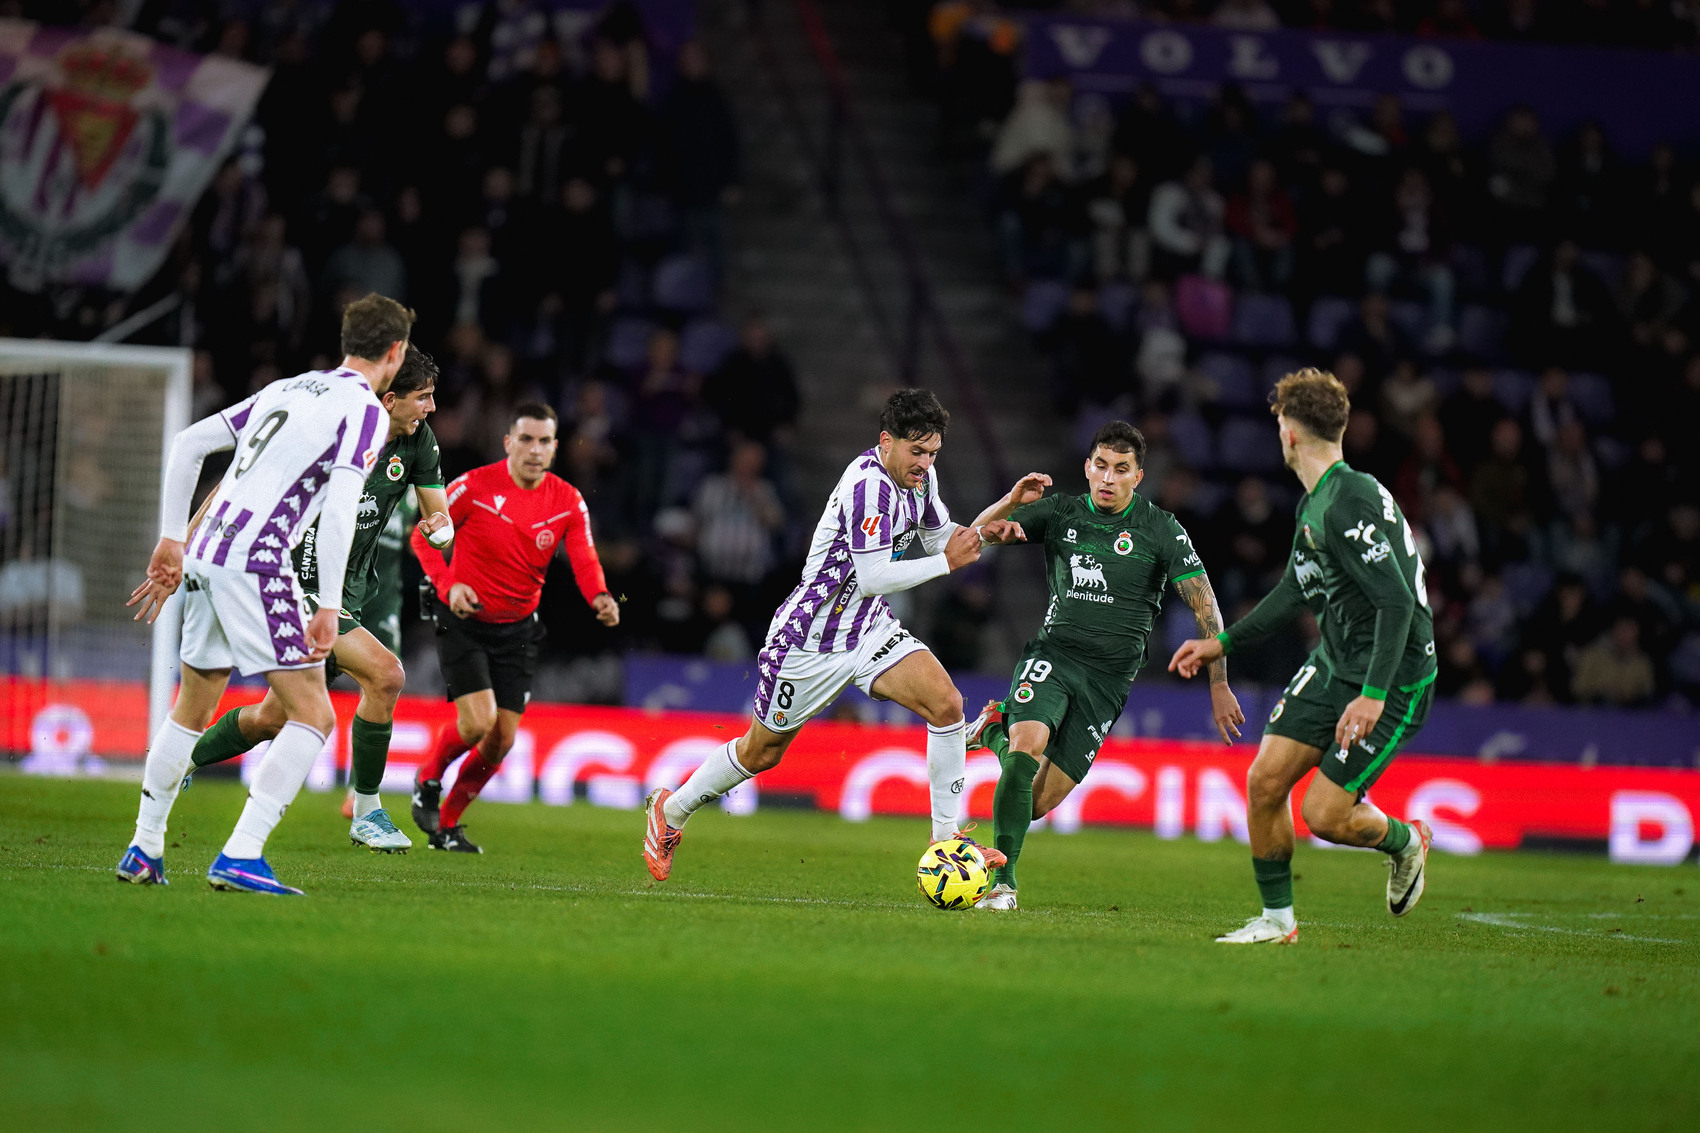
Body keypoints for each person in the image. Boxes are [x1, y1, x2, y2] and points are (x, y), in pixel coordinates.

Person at [641, 389, 1049, 881]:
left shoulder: (920, 480)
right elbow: (875, 575)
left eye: (933, 453)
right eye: (917, 451)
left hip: (868, 628)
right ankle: (672, 810)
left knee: (946, 705)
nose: (925, 463)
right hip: (810, 640)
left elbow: (943, 539)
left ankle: (946, 840)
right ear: (886, 441)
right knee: (761, 751)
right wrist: (947, 562)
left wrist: (1003, 511)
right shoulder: (867, 486)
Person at [116, 293, 409, 895]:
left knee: (192, 707)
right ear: (395, 352)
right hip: (258, 559)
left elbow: (188, 443)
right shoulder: (364, 411)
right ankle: (242, 853)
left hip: (206, 553)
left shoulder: (288, 388)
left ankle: (144, 849)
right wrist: (329, 604)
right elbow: (340, 509)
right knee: (314, 714)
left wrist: (172, 539)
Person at [1170, 368, 1437, 944]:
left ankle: (1406, 840)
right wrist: (1224, 642)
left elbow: (1396, 603)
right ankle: (1277, 921)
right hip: (1335, 662)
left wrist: (1372, 696)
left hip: (1393, 677)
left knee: (1325, 815)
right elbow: (1296, 589)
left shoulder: (1349, 501)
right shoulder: (1317, 503)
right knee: (1265, 782)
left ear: (1289, 432)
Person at [179, 346, 451, 853]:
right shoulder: (332, 427)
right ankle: (366, 811)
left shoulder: (418, 440)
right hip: (291, 579)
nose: (431, 407)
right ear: (390, 400)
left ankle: (180, 760)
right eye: (424, 397)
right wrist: (184, 541)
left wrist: (439, 527)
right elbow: (239, 480)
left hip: (347, 591)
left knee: (271, 719)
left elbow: (439, 513)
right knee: (386, 675)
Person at [967, 421, 1245, 911]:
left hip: (1108, 681)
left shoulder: (1160, 528)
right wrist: (1010, 503)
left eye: (1121, 469)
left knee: (1037, 803)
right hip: (1053, 655)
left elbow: (1206, 604)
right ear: (1087, 467)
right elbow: (973, 538)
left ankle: (992, 729)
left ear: (1138, 477)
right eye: (1101, 466)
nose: (1108, 478)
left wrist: (1218, 683)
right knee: (1027, 745)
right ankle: (1003, 884)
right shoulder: (1061, 512)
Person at [408, 404, 619, 853]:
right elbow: (421, 537)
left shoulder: (567, 500)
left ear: (555, 448)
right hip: (463, 621)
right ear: (508, 443)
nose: (534, 450)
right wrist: (449, 586)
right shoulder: (473, 487)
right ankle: (428, 777)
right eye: (526, 439)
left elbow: (584, 556)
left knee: (501, 740)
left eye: (544, 441)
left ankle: (447, 825)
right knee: (477, 722)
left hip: (518, 630)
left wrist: (600, 595)